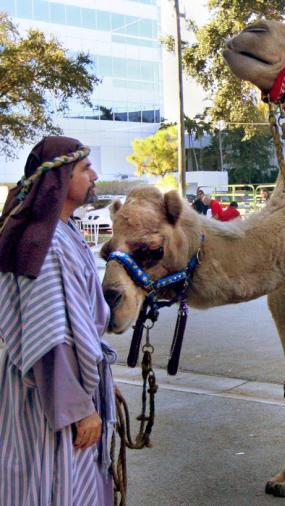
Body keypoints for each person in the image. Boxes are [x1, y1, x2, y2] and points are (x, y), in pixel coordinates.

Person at [0, 136, 117, 505]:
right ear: (61, 179)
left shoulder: (63, 232)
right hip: (50, 400)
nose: (94, 175)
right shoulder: (43, 244)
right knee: (53, 486)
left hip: (66, 390)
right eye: (85, 169)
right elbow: (48, 338)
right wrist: (79, 409)